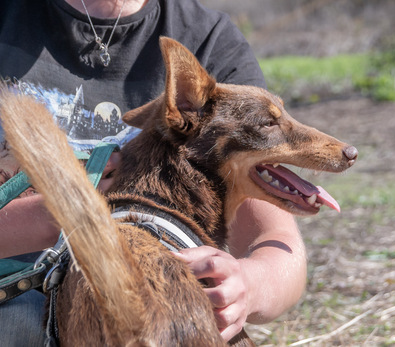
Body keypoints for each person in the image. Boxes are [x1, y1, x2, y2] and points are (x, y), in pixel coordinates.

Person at [0, 0, 307, 344]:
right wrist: (63, 211)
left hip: (172, 305)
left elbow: (276, 241)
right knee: (17, 321)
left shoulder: (208, 39)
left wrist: (248, 285)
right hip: (16, 296)